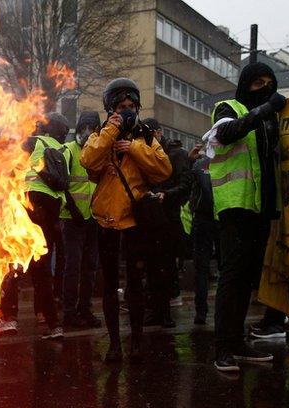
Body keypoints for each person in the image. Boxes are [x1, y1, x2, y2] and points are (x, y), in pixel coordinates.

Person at [81, 78, 173, 363]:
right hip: (107, 221)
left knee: (135, 284)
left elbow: (163, 170)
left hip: (135, 223)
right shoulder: (101, 133)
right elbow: (88, 159)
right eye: (121, 107)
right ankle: (114, 345)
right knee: (109, 286)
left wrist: (132, 147)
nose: (128, 111)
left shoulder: (145, 136)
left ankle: (136, 341)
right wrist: (112, 130)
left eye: (132, 106)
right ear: (110, 108)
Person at [208, 62, 288, 372]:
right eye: (258, 83)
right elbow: (227, 133)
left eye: (269, 82)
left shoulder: (272, 120)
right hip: (236, 207)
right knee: (232, 276)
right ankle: (223, 347)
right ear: (246, 85)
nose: (265, 87)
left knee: (247, 281)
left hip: (263, 208)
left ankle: (237, 342)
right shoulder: (228, 107)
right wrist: (265, 109)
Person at [0, 113, 70, 339]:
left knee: (14, 261)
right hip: (51, 208)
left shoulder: (35, 141)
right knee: (42, 268)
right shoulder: (64, 149)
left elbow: (9, 160)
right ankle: (52, 323)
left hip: (28, 202)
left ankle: (9, 319)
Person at [139, 118, 193, 329]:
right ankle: (156, 310)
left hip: (168, 218)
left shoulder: (176, 154)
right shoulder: (146, 153)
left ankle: (165, 311)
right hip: (151, 218)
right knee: (152, 267)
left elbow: (185, 184)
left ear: (160, 132)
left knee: (167, 266)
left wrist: (166, 195)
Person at [60, 112, 102, 330]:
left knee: (89, 267)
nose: (89, 131)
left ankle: (85, 310)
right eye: (85, 127)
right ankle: (69, 313)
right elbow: (61, 183)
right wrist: (72, 207)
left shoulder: (96, 153)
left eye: (93, 127)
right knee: (73, 267)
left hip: (92, 218)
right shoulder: (68, 151)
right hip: (72, 219)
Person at [189, 153, 218, 325]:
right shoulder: (229, 160)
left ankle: (201, 311)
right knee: (226, 267)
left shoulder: (199, 165)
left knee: (201, 268)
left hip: (202, 219)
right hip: (222, 218)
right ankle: (226, 311)